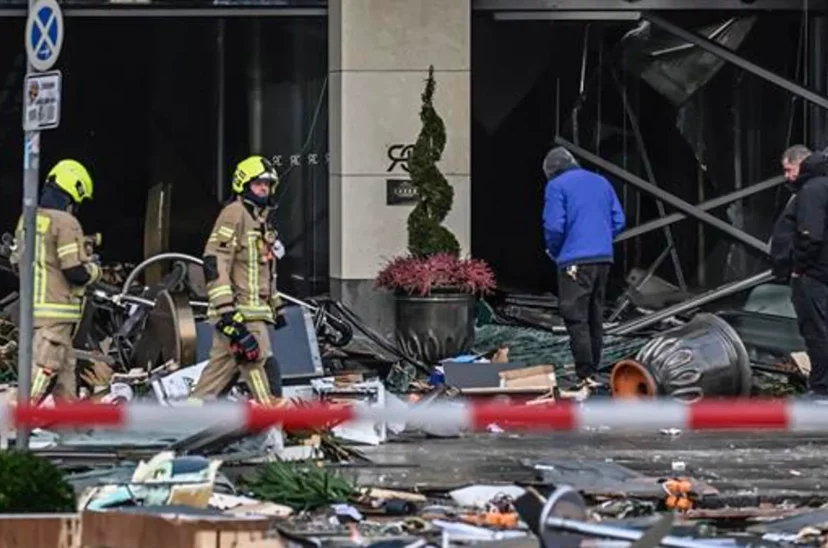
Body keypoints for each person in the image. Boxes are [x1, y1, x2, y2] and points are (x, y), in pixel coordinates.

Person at [190, 155, 283, 405]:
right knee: (256, 361)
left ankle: (188, 418)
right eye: (258, 183)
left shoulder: (259, 220)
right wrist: (227, 311)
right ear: (243, 184)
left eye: (267, 184)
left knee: (216, 376)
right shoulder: (234, 213)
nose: (264, 188)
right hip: (241, 311)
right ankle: (271, 416)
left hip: (255, 310)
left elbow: (264, 269)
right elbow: (215, 261)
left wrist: (277, 305)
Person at [11, 159, 101, 404]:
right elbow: (74, 271)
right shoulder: (65, 222)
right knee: (44, 372)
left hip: (32, 313)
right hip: (56, 314)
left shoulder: (26, 221)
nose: (75, 208)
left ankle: (68, 431)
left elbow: (16, 262)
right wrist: (95, 270)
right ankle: (12, 427)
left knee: (65, 379)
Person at [542, 147, 626, 391]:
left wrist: (556, 251)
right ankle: (594, 372)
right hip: (603, 258)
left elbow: (554, 226)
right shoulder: (601, 181)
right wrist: (599, 238)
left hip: (574, 260)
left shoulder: (556, 186)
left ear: (551, 171)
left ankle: (585, 373)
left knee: (575, 316)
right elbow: (619, 220)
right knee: (594, 315)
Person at [772, 145, 828, 396]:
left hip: (811, 275)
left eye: (788, 169)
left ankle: (821, 388)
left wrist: (799, 268)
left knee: (816, 333)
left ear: (801, 164)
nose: (787, 176)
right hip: (818, 272)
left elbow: (809, 235)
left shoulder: (812, 189)